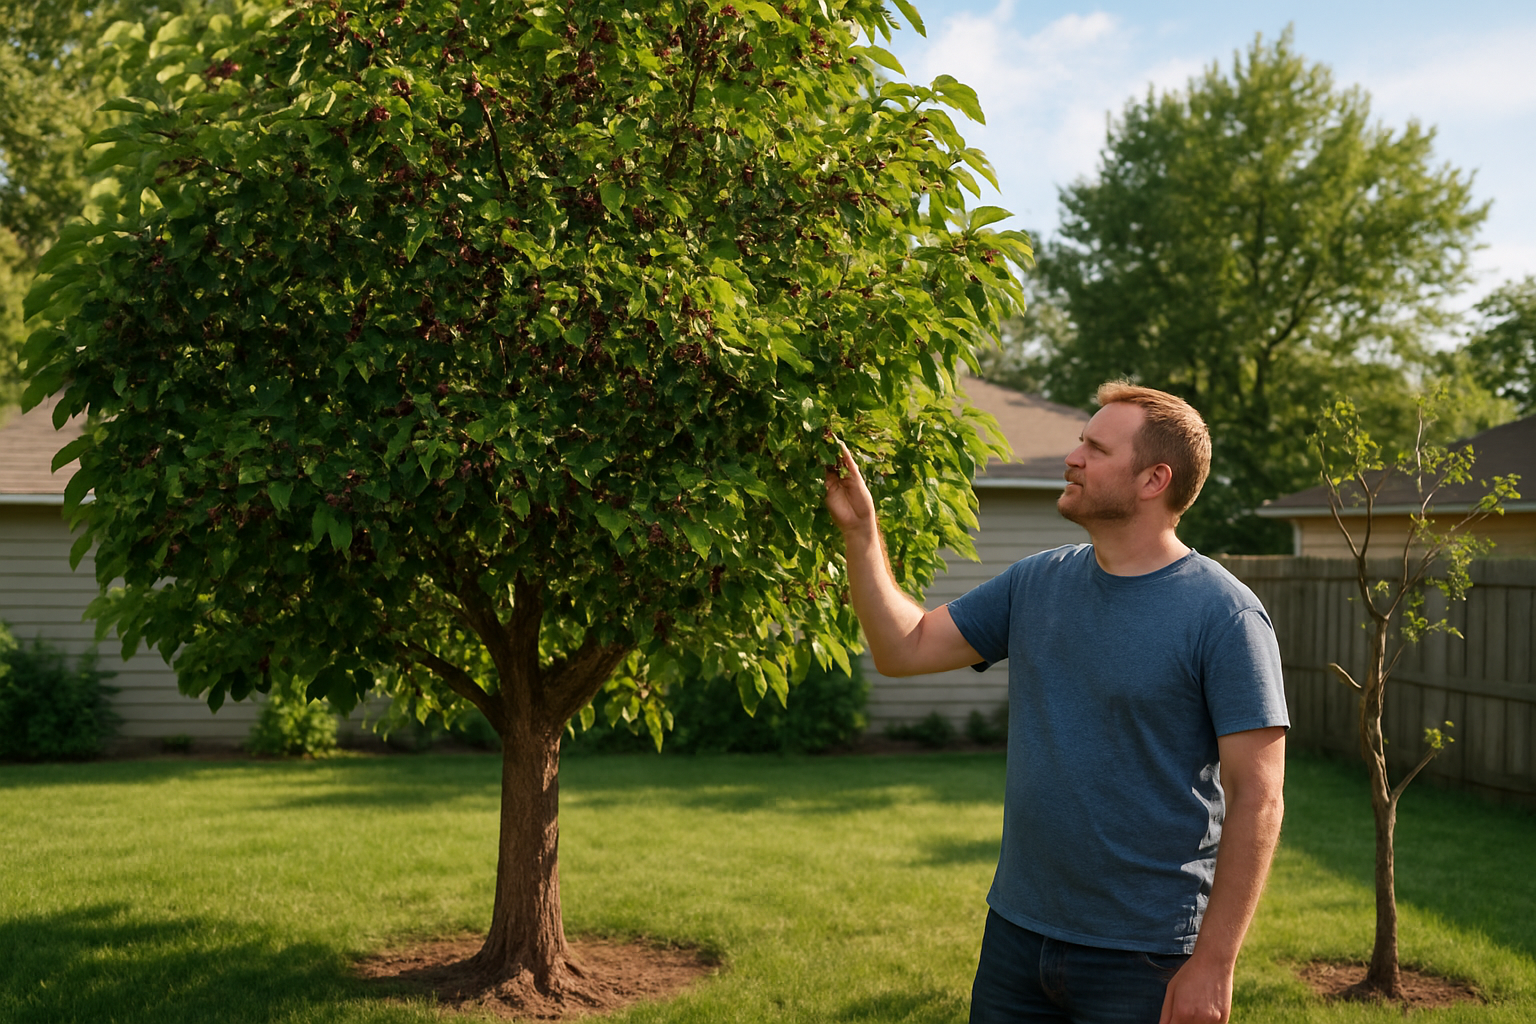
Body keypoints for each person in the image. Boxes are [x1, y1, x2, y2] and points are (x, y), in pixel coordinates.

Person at [824, 381, 1288, 1024]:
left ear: (1155, 478)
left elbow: (1259, 799)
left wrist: (1214, 963)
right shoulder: (1037, 581)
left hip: (1146, 956)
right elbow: (905, 649)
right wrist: (861, 535)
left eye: (1095, 448)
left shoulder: (1225, 615)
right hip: (1018, 934)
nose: (1073, 457)